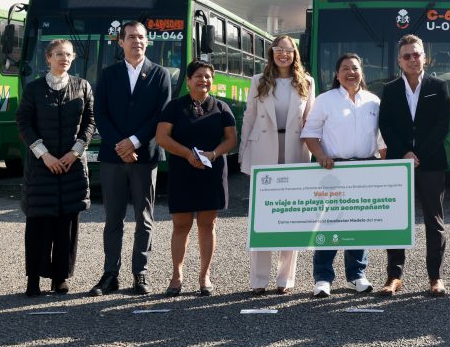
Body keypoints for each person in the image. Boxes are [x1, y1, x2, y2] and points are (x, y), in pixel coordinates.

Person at [91, 20, 173, 296]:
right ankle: (110, 275)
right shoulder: (108, 74)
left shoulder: (160, 74)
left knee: (144, 217)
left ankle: (140, 273)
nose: (137, 41)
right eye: (131, 37)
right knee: (113, 218)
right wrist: (120, 145)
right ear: (121, 42)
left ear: (147, 41)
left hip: (145, 155)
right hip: (113, 156)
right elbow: (100, 113)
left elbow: (161, 113)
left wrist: (134, 141)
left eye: (141, 37)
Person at [301, 53, 386, 298]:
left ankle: (357, 274)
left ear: (362, 73)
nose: (351, 72)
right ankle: (323, 277)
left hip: (364, 169)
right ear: (337, 75)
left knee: (358, 223)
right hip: (333, 169)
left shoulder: (373, 101)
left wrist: (387, 168)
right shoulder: (325, 100)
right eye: (345, 68)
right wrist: (320, 155)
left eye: (355, 68)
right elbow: (310, 133)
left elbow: (382, 139)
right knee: (329, 223)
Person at [15, 39, 95, 296]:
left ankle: (60, 277)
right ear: (48, 57)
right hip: (42, 167)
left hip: (72, 166)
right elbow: (23, 122)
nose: (64, 58)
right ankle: (34, 279)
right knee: (38, 224)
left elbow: (90, 122)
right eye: (59, 54)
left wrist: (75, 152)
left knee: (67, 224)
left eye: (69, 54)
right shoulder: (34, 88)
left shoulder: (83, 86)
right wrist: (45, 155)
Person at [240, 35, 315, 296]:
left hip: (295, 149)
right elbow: (249, 117)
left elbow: (311, 120)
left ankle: (285, 278)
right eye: (278, 49)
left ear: (295, 54)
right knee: (262, 217)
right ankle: (259, 279)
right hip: (263, 150)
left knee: (290, 216)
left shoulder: (306, 82)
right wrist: (243, 153)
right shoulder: (258, 81)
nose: (283, 54)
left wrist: (316, 154)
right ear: (271, 53)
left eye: (288, 50)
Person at [378, 34, 450, 297]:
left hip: (430, 163)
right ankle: (394, 276)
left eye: (416, 54)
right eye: (407, 56)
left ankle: (435, 276)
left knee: (434, 221)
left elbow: (442, 125)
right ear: (399, 60)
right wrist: (404, 153)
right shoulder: (390, 89)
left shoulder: (438, 86)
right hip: (399, 164)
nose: (412, 59)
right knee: (396, 220)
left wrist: (417, 153)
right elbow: (385, 125)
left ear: (425, 57)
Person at [155, 60, 237, 296]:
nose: (204, 80)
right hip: (183, 171)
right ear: (189, 80)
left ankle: (204, 276)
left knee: (207, 225)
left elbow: (231, 139)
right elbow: (162, 137)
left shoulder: (222, 107)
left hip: (212, 172)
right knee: (181, 225)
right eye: (198, 76)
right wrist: (187, 154)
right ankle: (176, 276)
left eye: (208, 76)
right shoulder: (174, 107)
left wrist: (214, 154)